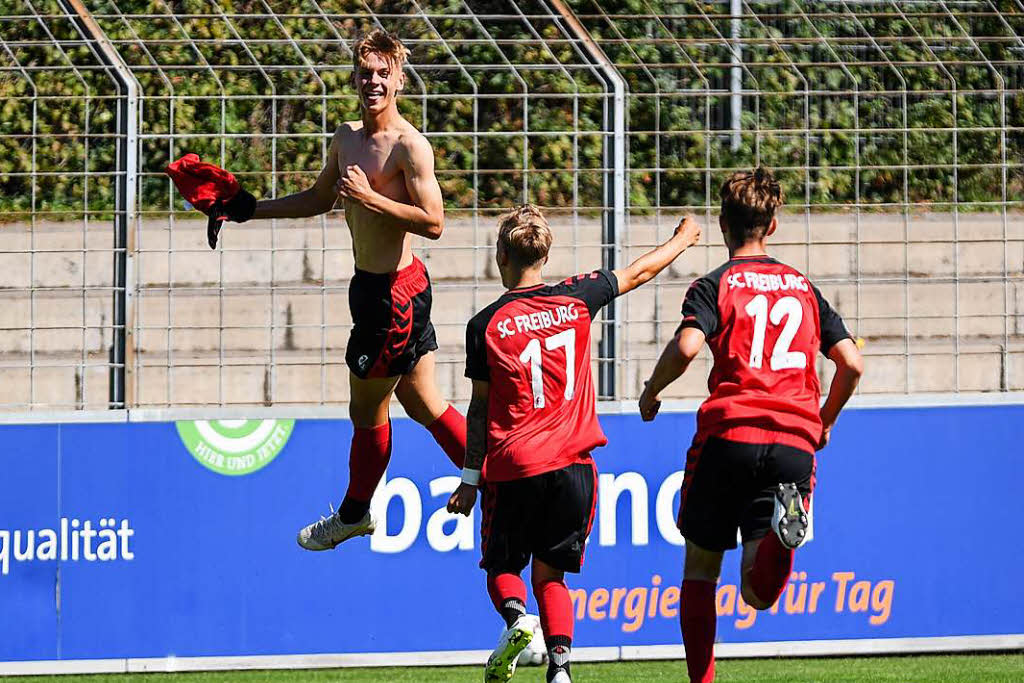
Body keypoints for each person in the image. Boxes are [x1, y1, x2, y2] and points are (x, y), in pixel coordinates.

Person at [173, 29, 468, 549]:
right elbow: (317, 198)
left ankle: (355, 513)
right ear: (355, 77)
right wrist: (246, 209)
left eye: (383, 73)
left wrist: (370, 199)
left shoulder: (409, 146)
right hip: (383, 288)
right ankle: (498, 475)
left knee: (366, 412)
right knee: (424, 403)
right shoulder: (346, 137)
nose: (373, 81)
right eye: (365, 72)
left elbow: (434, 222)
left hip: (392, 298)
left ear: (399, 78)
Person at [447, 205, 702, 683]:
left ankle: (518, 620)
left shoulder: (485, 324)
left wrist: (468, 478)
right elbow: (640, 270)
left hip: (514, 467)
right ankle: (560, 669)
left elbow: (479, 410)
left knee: (502, 566)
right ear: (545, 254)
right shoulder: (578, 297)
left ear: (501, 255)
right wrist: (685, 238)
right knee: (552, 576)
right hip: (574, 467)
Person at [638, 168, 864, 683]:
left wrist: (653, 390)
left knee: (700, 567)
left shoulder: (715, 284)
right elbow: (851, 363)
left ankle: (703, 682)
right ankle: (783, 544)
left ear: (723, 224)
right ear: (774, 225)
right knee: (757, 594)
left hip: (730, 433)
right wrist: (821, 422)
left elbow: (688, 346)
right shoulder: (803, 288)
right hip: (793, 441)